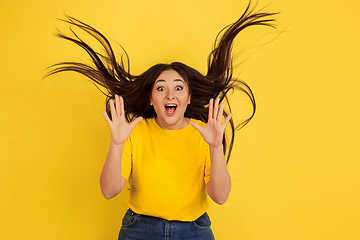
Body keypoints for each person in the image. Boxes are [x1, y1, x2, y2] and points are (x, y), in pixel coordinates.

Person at [46, 1, 277, 239]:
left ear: (188, 98)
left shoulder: (204, 134)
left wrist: (216, 147)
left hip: (194, 230)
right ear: (150, 99)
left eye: (178, 88)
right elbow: (109, 190)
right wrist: (116, 143)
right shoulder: (134, 132)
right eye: (161, 88)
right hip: (139, 228)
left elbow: (220, 197)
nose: (170, 95)